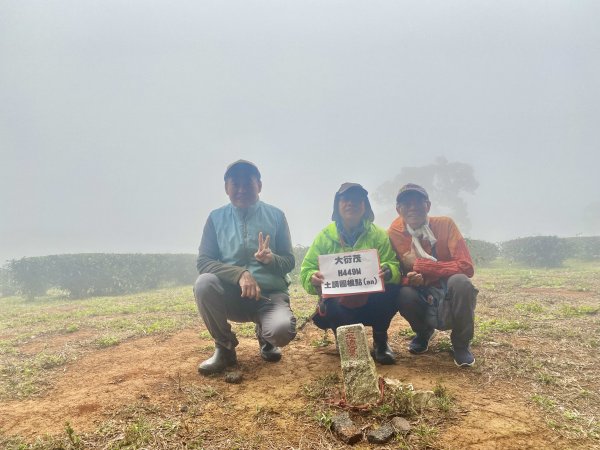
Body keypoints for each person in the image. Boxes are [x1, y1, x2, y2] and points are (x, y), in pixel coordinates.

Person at [193, 160, 297, 375]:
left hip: (269, 296)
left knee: (281, 331)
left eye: (248, 184)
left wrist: (272, 259)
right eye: (235, 184)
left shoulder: (277, 216)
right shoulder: (215, 218)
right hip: (232, 296)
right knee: (204, 283)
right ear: (226, 188)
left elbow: (289, 261)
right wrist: (240, 274)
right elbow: (204, 262)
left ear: (259, 185)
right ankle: (225, 348)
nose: (241, 190)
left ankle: (267, 338)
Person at [300, 183, 401, 364]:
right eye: (345, 200)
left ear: (365, 206)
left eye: (357, 200)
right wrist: (312, 278)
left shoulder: (378, 235)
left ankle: (380, 341)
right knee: (331, 306)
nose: (351, 204)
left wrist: (388, 270)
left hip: (371, 300)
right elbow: (306, 270)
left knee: (393, 291)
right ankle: (345, 339)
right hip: (340, 302)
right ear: (337, 206)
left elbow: (394, 265)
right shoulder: (324, 236)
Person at [388, 183, 478, 367]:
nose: (413, 207)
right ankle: (423, 332)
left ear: (427, 206)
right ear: (398, 209)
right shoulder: (393, 234)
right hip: (421, 290)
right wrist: (410, 279)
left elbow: (466, 266)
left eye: (418, 202)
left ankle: (461, 344)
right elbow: (397, 274)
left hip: (448, 287)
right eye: (406, 204)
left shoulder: (445, 224)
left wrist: (424, 266)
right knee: (403, 294)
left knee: (462, 283)